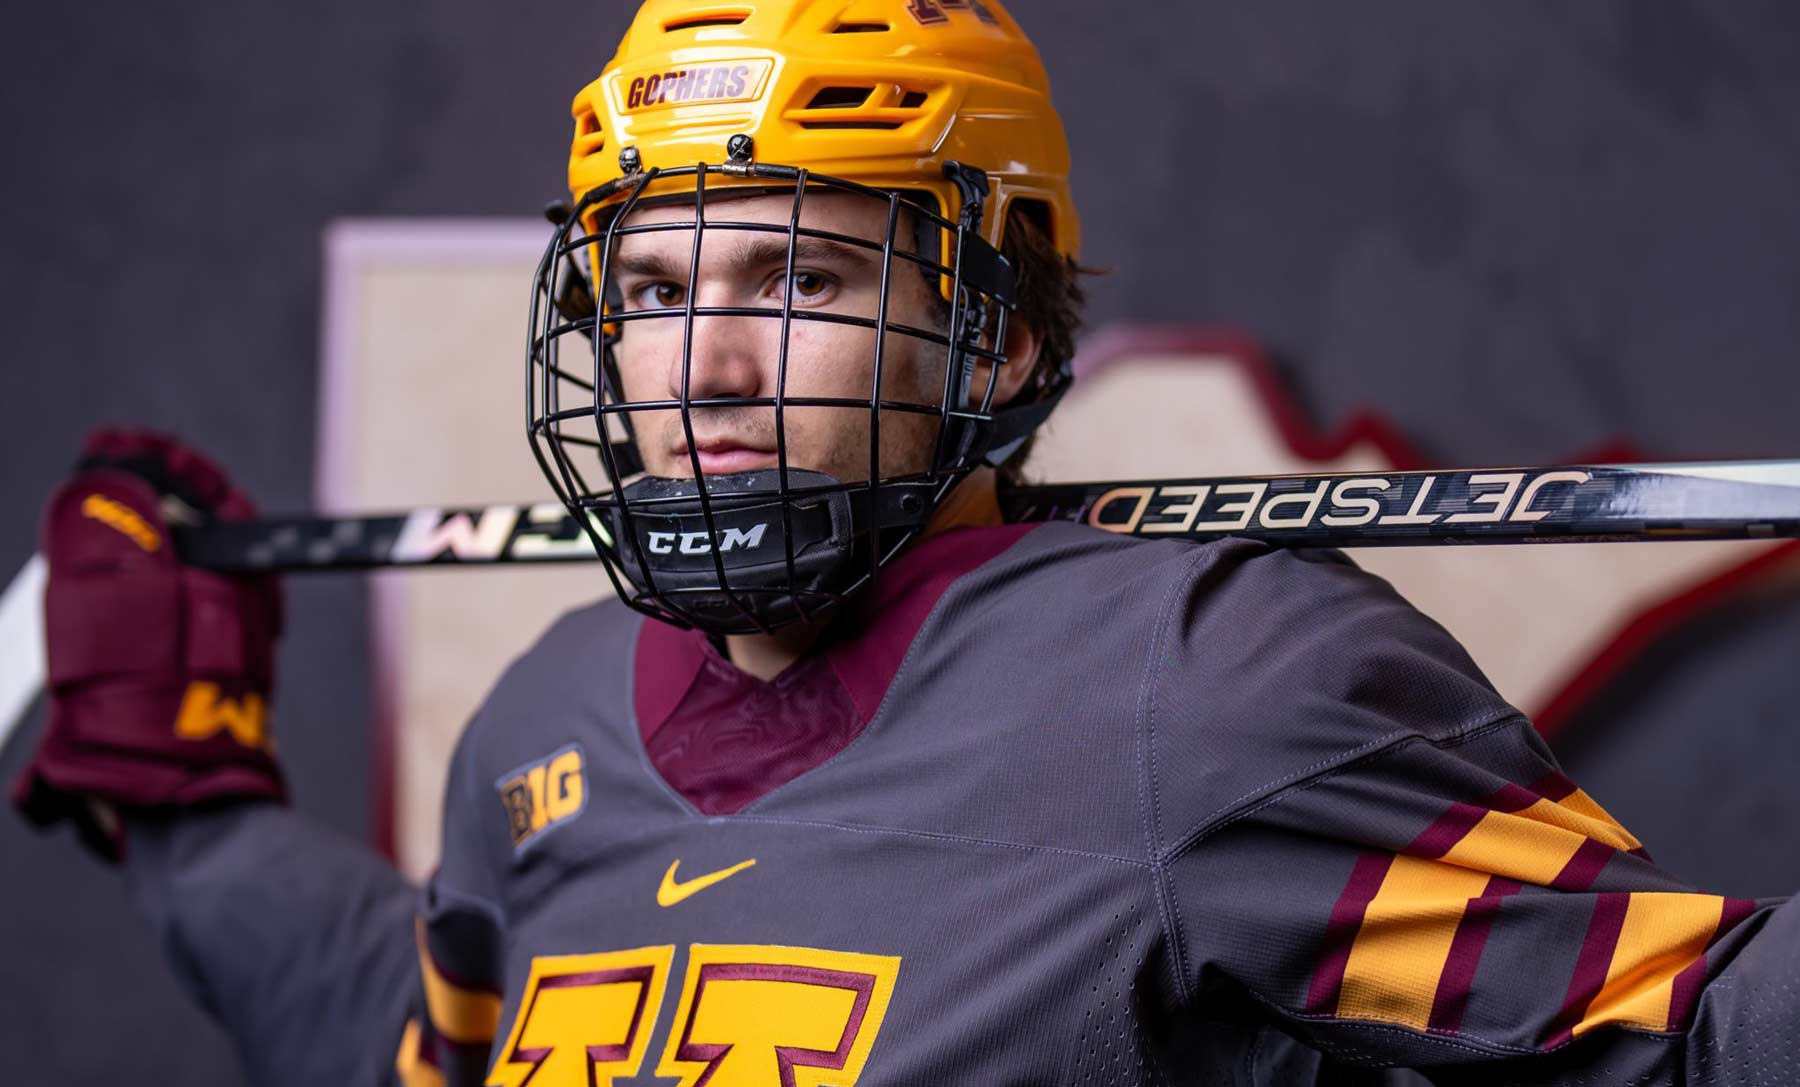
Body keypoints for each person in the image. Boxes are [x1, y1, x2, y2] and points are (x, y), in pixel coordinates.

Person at [14, 2, 1799, 1084]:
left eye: (800, 276)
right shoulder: (547, 722)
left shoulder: (1211, 686)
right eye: (647, 288)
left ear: (1002, 336)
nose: (702, 364)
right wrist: (190, 819)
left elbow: (1695, 1034)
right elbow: (415, 1053)